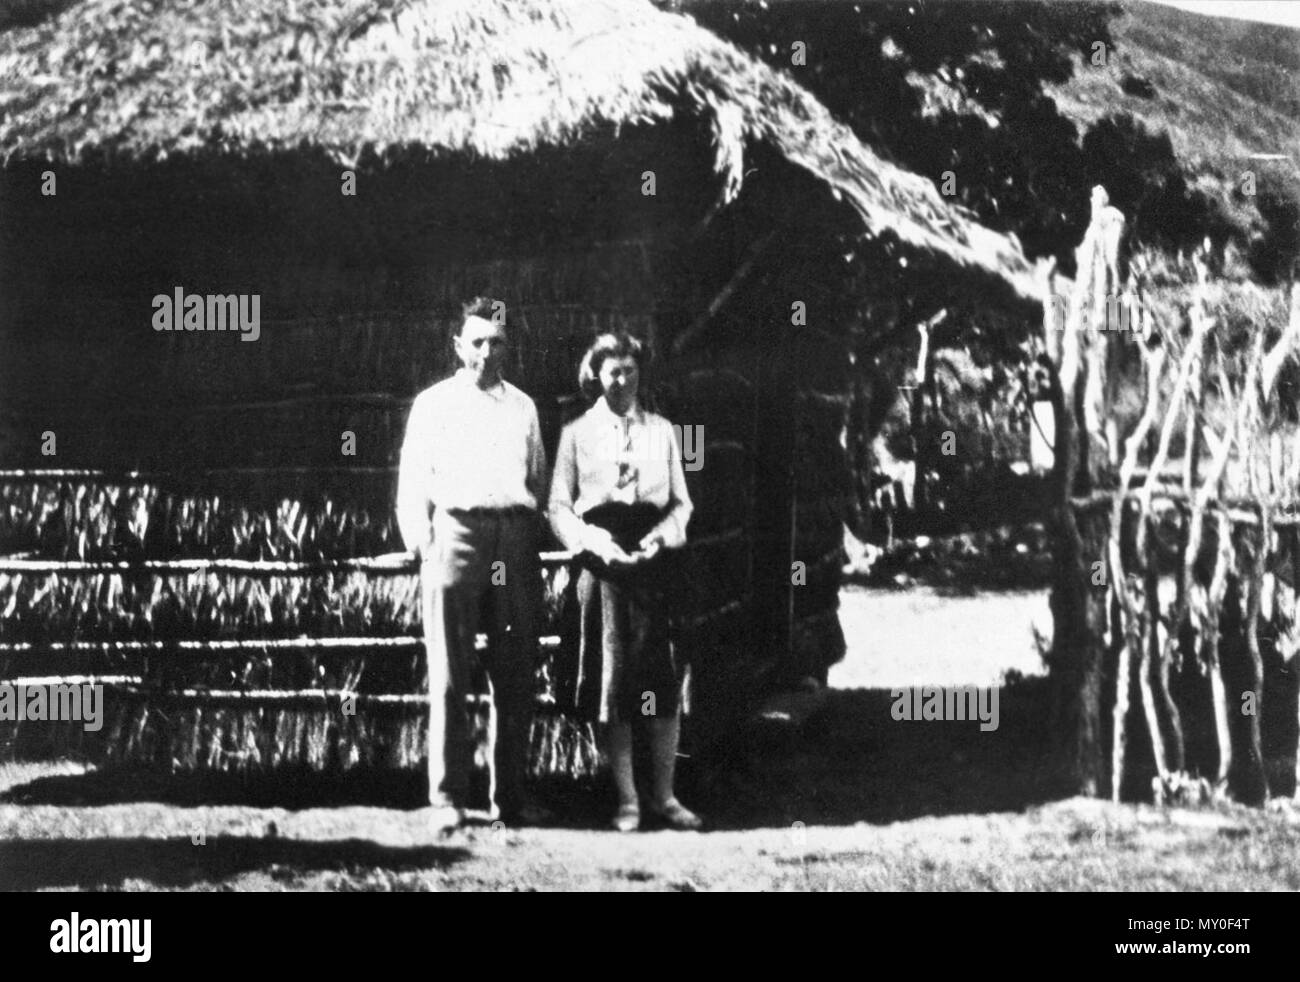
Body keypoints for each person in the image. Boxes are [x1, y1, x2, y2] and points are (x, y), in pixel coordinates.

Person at [396, 297, 551, 828]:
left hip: (511, 537)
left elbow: (538, 479)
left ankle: (508, 800)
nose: (487, 352)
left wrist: (522, 533)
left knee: (513, 674)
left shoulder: (524, 409)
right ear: (459, 347)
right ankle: (448, 801)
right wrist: (423, 542)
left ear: (509, 348)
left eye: (497, 342)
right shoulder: (433, 404)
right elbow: (412, 480)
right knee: (449, 674)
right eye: (477, 342)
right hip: (455, 536)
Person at [548, 332, 702, 832]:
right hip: (603, 563)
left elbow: (682, 502)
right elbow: (557, 506)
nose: (621, 380)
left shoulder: (664, 431)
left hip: (654, 563)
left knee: (662, 681)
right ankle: (628, 800)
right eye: (612, 371)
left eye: (630, 370)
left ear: (640, 373)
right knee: (612, 684)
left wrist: (663, 537)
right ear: (595, 375)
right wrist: (593, 542)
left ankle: (665, 795)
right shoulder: (576, 433)